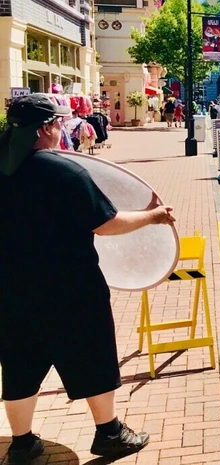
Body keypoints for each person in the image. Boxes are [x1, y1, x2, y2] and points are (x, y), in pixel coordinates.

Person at [0, 95, 176, 463]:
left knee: (19, 363)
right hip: (70, 286)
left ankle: (21, 442)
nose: (62, 128)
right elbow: (107, 222)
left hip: (11, 288)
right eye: (58, 123)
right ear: (45, 128)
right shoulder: (63, 171)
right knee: (92, 354)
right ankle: (109, 433)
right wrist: (153, 216)